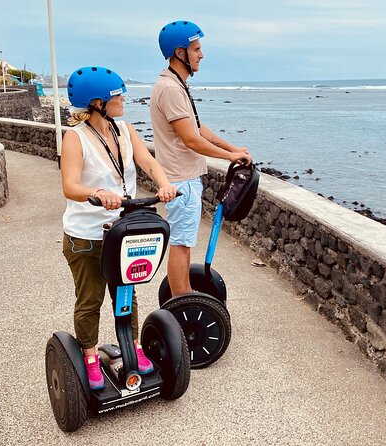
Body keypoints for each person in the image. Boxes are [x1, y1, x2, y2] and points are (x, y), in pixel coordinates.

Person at [61, 66, 178, 390]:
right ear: (97, 102)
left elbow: (149, 162)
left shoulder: (125, 130)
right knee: (90, 299)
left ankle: (135, 346)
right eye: (117, 95)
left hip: (123, 229)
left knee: (127, 291)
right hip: (86, 236)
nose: (123, 98)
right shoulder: (76, 138)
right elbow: (70, 186)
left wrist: (164, 183)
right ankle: (88, 356)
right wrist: (96, 194)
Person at [150, 20, 252, 298]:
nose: (201, 55)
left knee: (184, 241)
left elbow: (198, 128)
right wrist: (229, 156)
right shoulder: (171, 88)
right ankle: (181, 300)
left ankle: (182, 294)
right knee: (181, 243)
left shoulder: (176, 84)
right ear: (179, 52)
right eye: (196, 49)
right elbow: (191, 139)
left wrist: (232, 148)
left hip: (185, 175)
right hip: (180, 177)